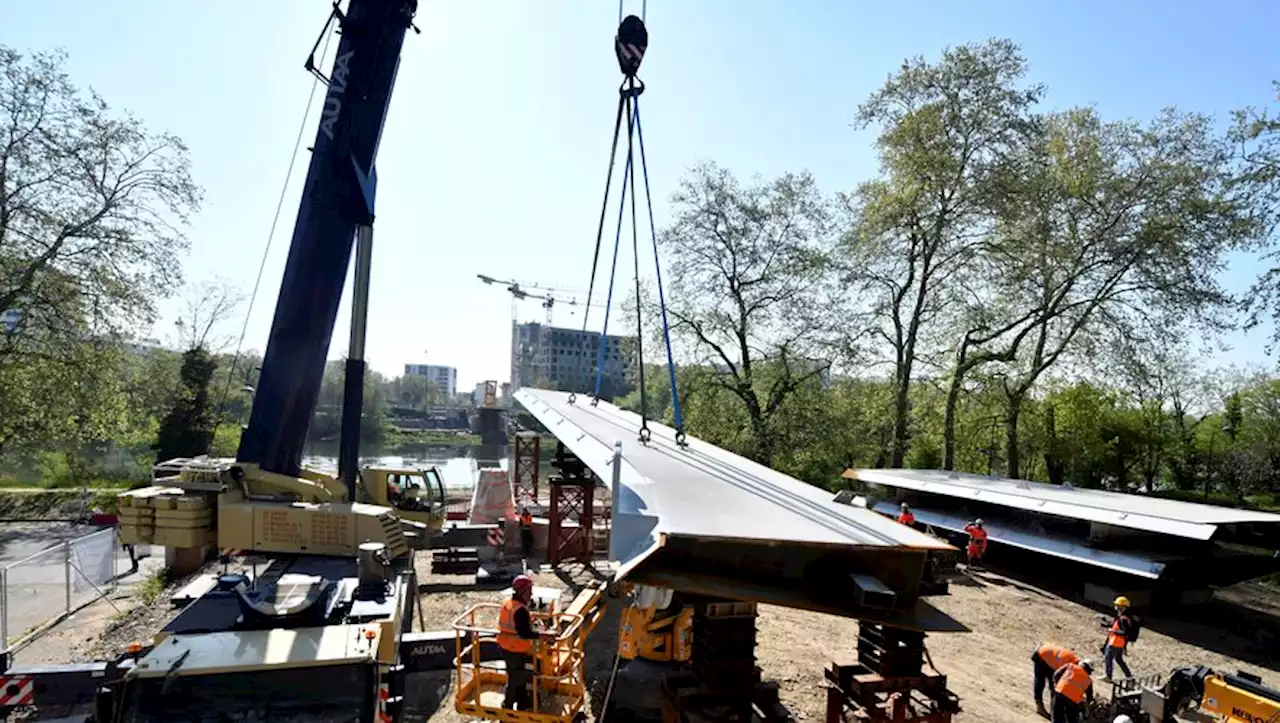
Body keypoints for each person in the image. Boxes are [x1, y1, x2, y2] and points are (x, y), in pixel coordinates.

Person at [497, 574, 550, 711]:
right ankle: (508, 706)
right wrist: (543, 636)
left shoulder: (508, 603)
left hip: (506, 646)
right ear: (522, 591)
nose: (531, 592)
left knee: (515, 676)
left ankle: (521, 703)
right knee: (517, 678)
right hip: (516, 649)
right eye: (529, 589)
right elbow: (524, 633)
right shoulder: (520, 610)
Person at [1032, 643, 1079, 718]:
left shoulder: (1073, 660)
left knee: (1054, 687)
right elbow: (1058, 678)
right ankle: (1040, 707)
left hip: (1049, 655)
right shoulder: (1070, 666)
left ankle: (1054, 709)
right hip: (1041, 656)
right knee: (1041, 682)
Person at [1099, 596, 1134, 680]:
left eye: (1118, 606)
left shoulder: (1123, 619)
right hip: (1120, 643)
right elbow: (1116, 626)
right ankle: (1129, 676)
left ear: (1123, 607)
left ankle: (1108, 676)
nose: (1116, 608)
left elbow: (1125, 632)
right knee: (1119, 659)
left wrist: (1112, 631)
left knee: (1108, 658)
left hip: (1115, 642)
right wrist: (1106, 623)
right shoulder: (1123, 617)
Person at [1051, 658, 1094, 723]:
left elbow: (1056, 675)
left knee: (1057, 716)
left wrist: (1057, 686)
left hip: (1060, 693)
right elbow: (1089, 698)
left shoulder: (1070, 666)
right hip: (1073, 701)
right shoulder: (1089, 681)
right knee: (1072, 718)